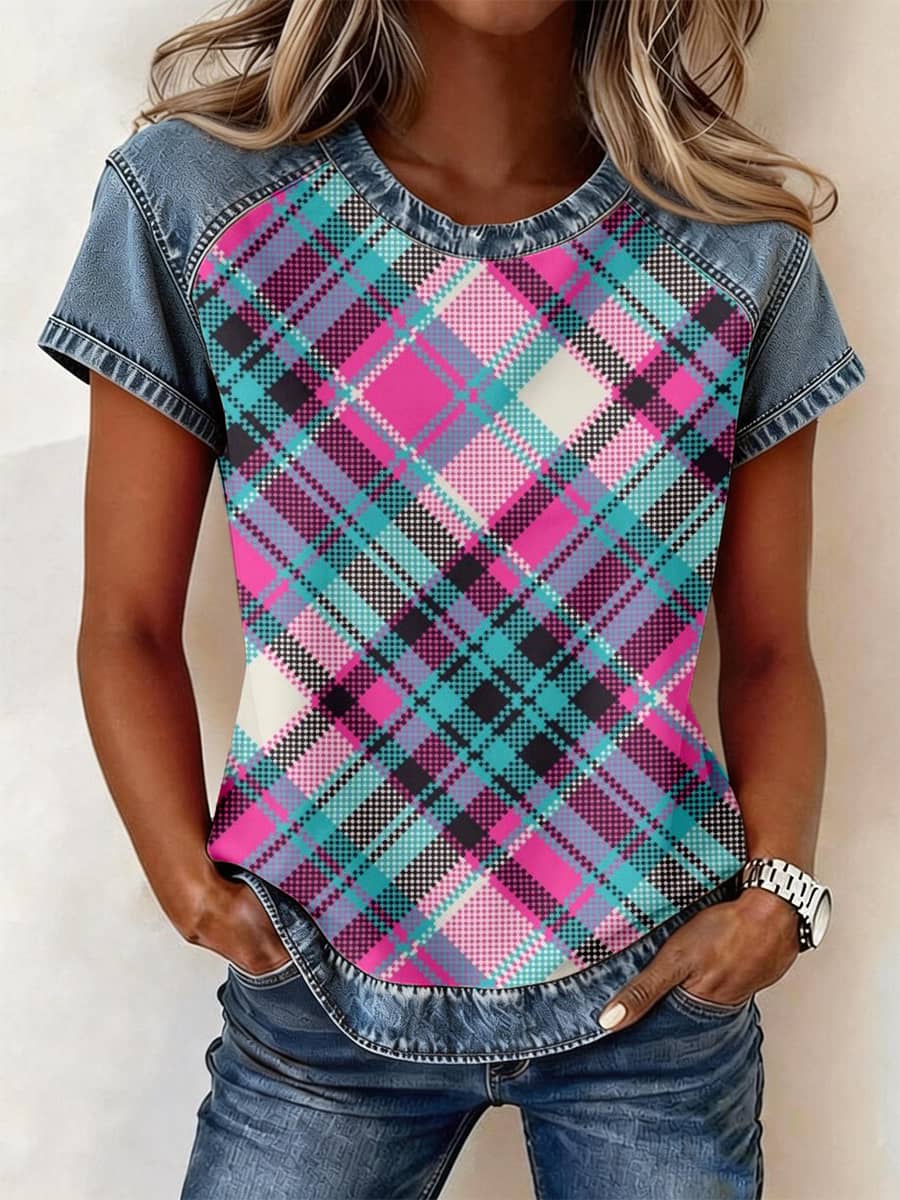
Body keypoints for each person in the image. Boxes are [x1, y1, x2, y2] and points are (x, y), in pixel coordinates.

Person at [36, 2, 867, 1197]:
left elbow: (776, 648)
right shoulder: (200, 205)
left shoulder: (733, 248)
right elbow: (123, 622)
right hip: (316, 995)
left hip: (658, 1006)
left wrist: (778, 901)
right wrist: (191, 891)